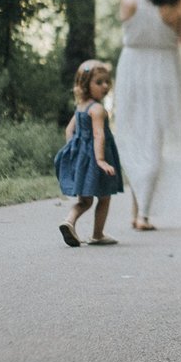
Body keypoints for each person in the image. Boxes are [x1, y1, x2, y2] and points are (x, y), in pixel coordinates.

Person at [110, 0, 181, 232]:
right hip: (165, 70)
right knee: (155, 138)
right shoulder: (180, 7)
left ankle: (140, 211)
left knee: (135, 134)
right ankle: (142, 213)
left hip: (132, 68)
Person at [53, 59, 124, 247]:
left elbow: (69, 130)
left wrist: (73, 149)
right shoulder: (97, 109)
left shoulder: (81, 107)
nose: (105, 86)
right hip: (96, 158)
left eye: (107, 81)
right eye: (99, 82)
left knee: (84, 200)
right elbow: (98, 134)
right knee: (104, 195)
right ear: (85, 85)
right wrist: (100, 160)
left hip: (82, 157)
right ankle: (97, 234)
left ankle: (69, 221)